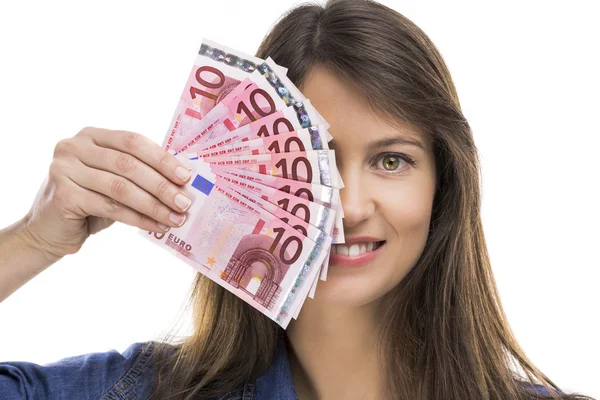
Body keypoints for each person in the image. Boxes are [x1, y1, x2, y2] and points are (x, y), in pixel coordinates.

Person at [0, 0, 595, 399]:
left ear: (443, 187)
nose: (350, 205)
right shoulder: (140, 390)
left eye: (392, 160)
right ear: (245, 171)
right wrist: (31, 240)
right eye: (319, 164)